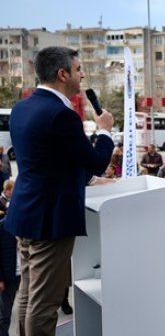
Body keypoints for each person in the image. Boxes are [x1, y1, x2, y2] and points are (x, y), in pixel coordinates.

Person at [6, 46, 115, 336]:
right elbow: (96, 161)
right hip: (49, 221)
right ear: (62, 73)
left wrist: (86, 181)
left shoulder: (23, 107)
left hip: (26, 214)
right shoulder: (61, 114)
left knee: (28, 295)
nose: (83, 76)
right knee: (44, 304)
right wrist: (105, 130)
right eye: (79, 69)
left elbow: (48, 160)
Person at [0, 180, 17, 336]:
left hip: (25, 275)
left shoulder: (26, 225)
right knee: (4, 316)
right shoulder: (2, 227)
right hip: (9, 277)